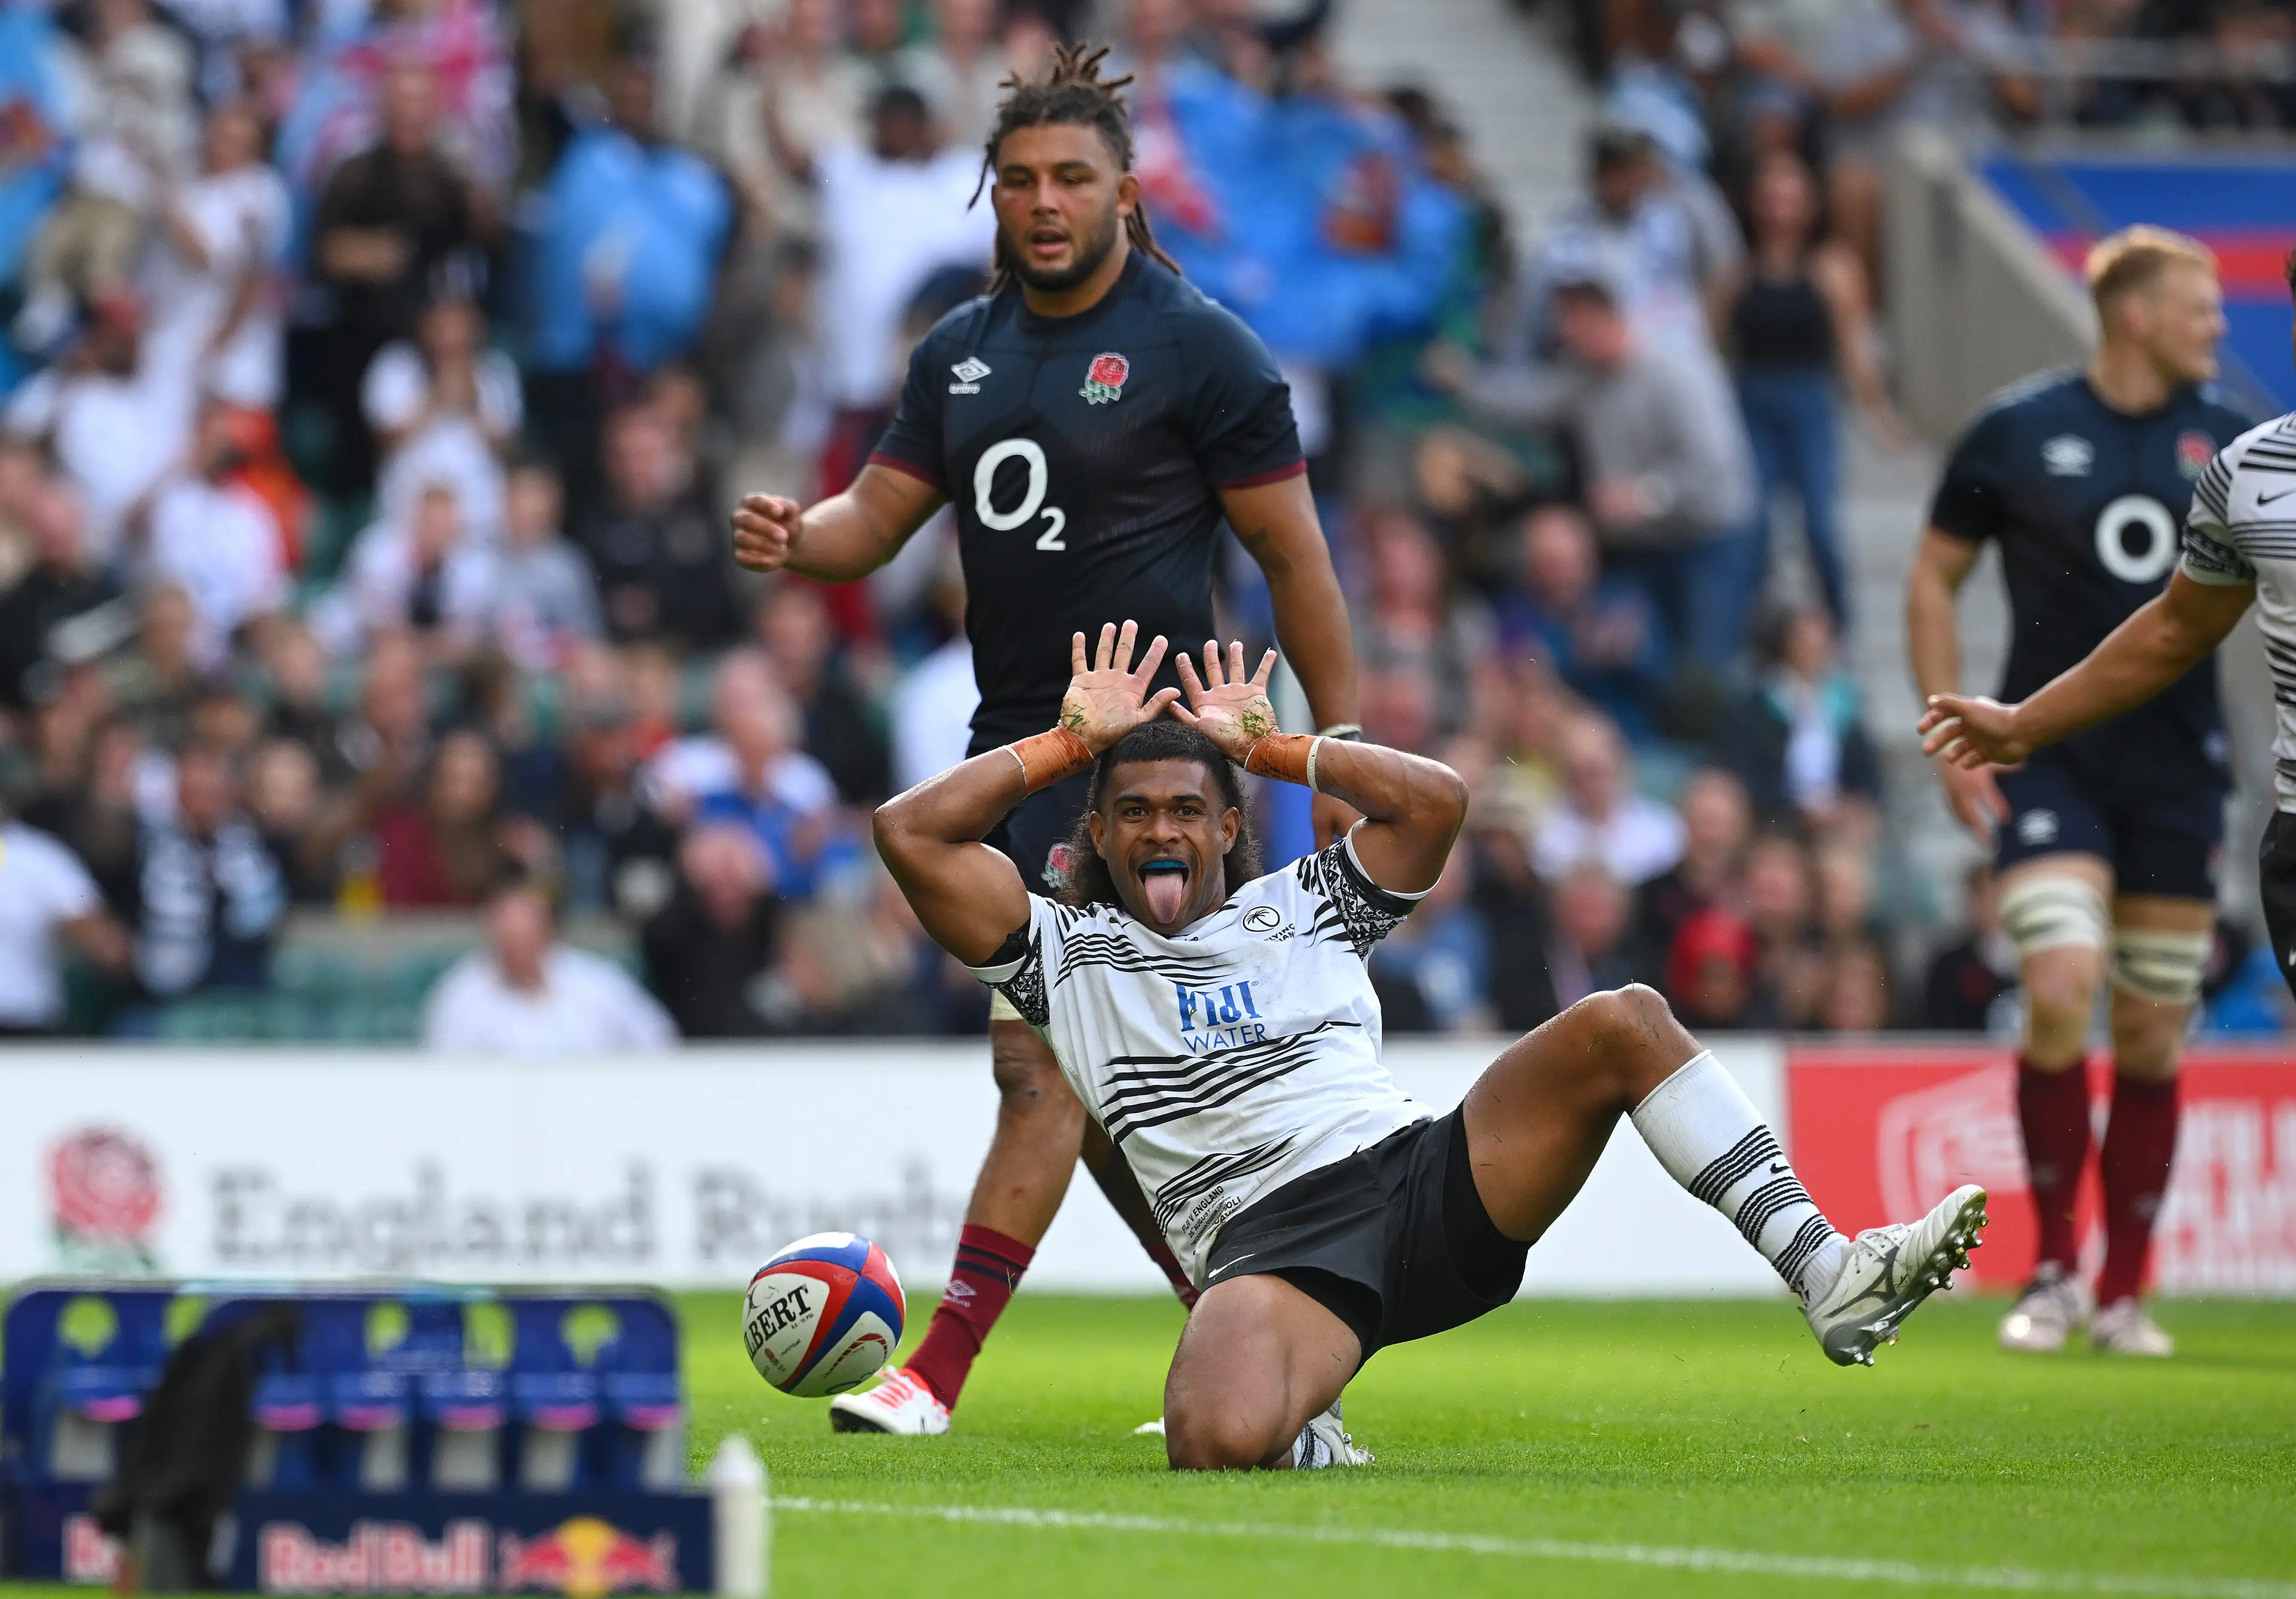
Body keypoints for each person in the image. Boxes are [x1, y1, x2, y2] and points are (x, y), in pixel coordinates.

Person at [866, 620, 1988, 1467]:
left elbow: (1441, 805)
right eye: (1137, 810)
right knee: (1209, 1440)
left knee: (1623, 1020)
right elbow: (907, 832)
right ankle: (1305, 1418)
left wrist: (1281, 748)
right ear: (1100, 834)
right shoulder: (1062, 954)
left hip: (1425, 1182)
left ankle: (1828, 1273)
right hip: (1270, 1252)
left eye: (1187, 808)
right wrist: (1070, 743)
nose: (1163, 828)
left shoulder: (1305, 904)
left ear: (1225, 828)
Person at [729, 45, 1361, 1437]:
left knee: (1045, 1068)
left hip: (1160, 761)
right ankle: (1250, 1348)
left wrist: (1338, 747)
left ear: (1125, 192)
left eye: (1070, 177)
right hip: (1021, 746)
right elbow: (871, 521)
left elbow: (1296, 562)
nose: (1040, 203)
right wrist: (801, 538)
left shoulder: (1204, 350)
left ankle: (932, 1376)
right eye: (1015, 181)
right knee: (1094, 1080)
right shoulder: (956, 356)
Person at [1904, 227, 2251, 1360]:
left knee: (2152, 1030)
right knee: (2059, 981)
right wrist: (1951, 725)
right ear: (2137, 313)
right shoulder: (2015, 430)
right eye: (2202, 305)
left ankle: (2123, 1294)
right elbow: (1932, 575)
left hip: (2180, 771)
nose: (2220, 324)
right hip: (2045, 755)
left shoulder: (2239, 449)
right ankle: (2051, 1273)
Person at [422, 870, 675, 1055]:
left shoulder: (598, 982)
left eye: (526, 938)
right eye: (509, 939)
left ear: (546, 932)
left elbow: (658, 1039)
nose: (518, 949)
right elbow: (444, 1073)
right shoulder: (461, 995)